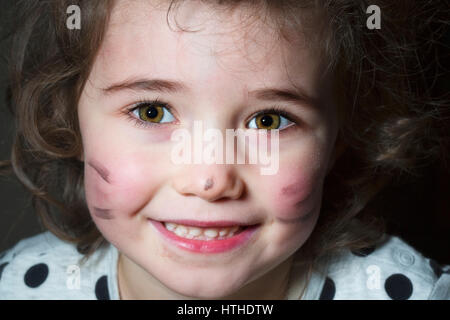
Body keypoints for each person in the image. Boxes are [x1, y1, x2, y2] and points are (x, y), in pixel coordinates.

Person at [0, 0, 449, 300]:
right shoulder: (20, 287)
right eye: (153, 112)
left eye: (269, 120)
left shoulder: (410, 292)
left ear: (339, 139)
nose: (209, 179)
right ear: (70, 123)